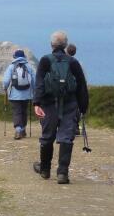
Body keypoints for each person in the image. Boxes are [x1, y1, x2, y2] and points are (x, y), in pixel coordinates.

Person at [32, 31, 89, 184]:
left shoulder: (45, 61)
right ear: (65, 45)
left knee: (47, 137)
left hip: (48, 104)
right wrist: (83, 107)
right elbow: (82, 86)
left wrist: (36, 103)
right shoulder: (73, 62)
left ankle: (44, 170)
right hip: (70, 104)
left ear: (52, 44)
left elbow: (39, 83)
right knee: (66, 138)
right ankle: (62, 173)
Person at [2, 49, 35, 139]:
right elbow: (34, 80)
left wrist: (5, 87)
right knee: (24, 111)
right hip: (27, 94)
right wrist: (34, 91)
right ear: (23, 57)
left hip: (14, 94)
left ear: (15, 57)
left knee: (17, 111)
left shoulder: (11, 67)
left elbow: (6, 80)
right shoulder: (29, 66)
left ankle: (18, 130)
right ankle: (23, 129)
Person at [66, 43, 82, 136]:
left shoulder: (64, 62)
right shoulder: (78, 63)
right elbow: (83, 78)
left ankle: (66, 127)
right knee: (76, 108)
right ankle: (75, 127)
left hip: (66, 89)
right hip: (76, 89)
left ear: (67, 51)